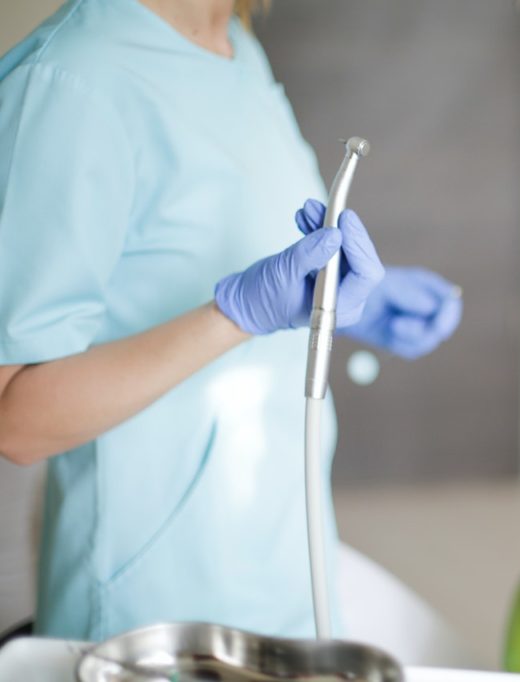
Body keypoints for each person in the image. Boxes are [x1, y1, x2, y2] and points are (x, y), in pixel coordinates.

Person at [0, 0, 461, 642]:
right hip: (154, 616)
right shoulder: (73, 78)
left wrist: (340, 303)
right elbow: (14, 419)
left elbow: (224, 256)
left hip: (282, 568)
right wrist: (234, 315)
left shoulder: (237, 52)